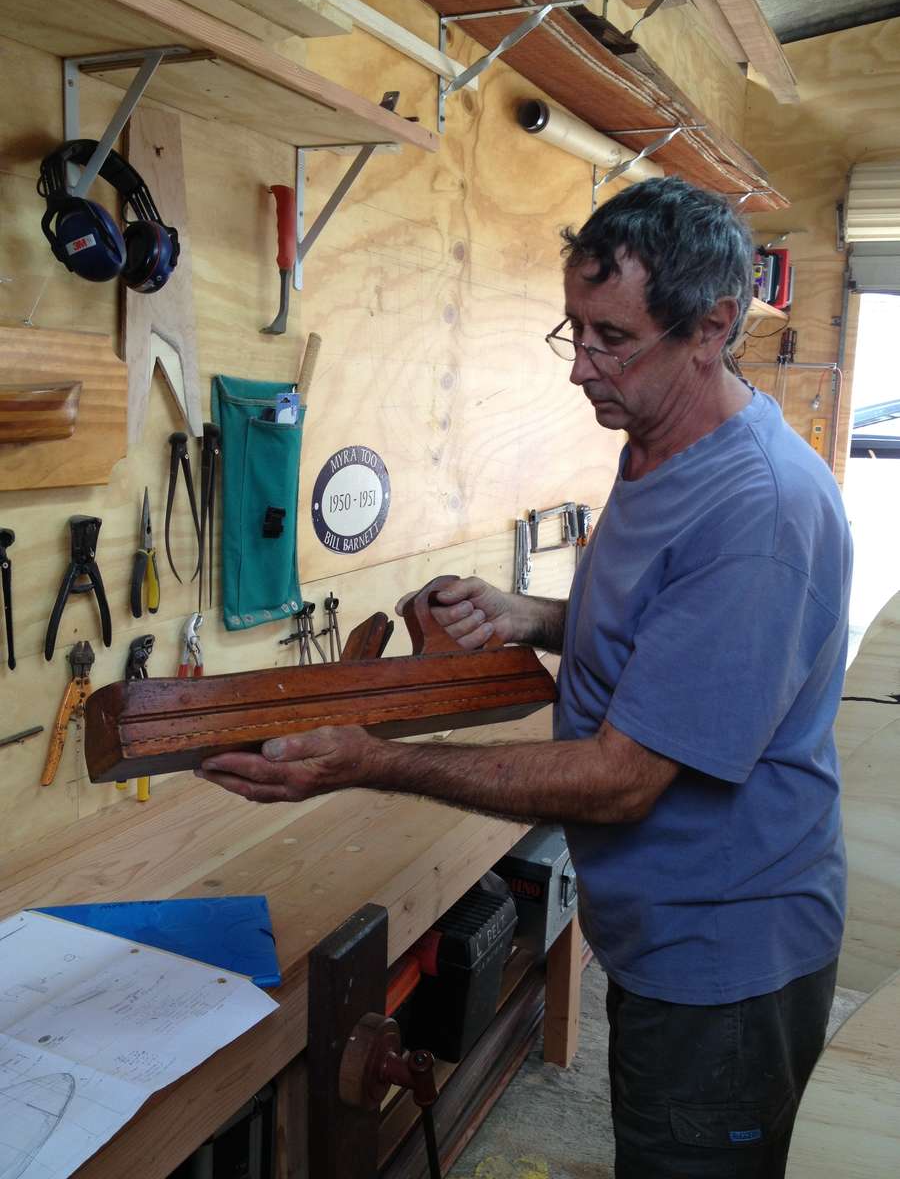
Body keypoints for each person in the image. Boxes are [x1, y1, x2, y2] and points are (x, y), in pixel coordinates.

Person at [199, 177, 853, 1178]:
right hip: (657, 923)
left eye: (612, 340)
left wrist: (374, 762)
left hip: (727, 953)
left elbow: (622, 778)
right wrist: (533, 616)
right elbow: (662, 631)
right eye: (573, 331)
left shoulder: (756, 510)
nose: (581, 367)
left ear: (714, 325)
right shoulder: (657, 442)